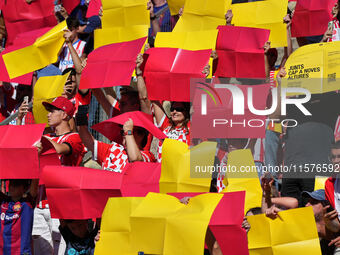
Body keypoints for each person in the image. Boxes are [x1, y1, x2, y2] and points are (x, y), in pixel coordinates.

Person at [76, 107, 155, 172]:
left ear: (141, 135)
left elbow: (136, 160)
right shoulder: (113, 149)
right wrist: (81, 110)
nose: (124, 134)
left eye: (129, 130)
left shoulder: (147, 156)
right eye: (122, 131)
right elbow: (89, 142)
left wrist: (128, 132)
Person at [0, 179, 38, 255]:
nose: (12, 187)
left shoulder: (27, 203)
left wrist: (35, 177)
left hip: (22, 252)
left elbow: (34, 185)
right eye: (11, 184)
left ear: (24, 188)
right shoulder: (3, 201)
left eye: (16, 184)